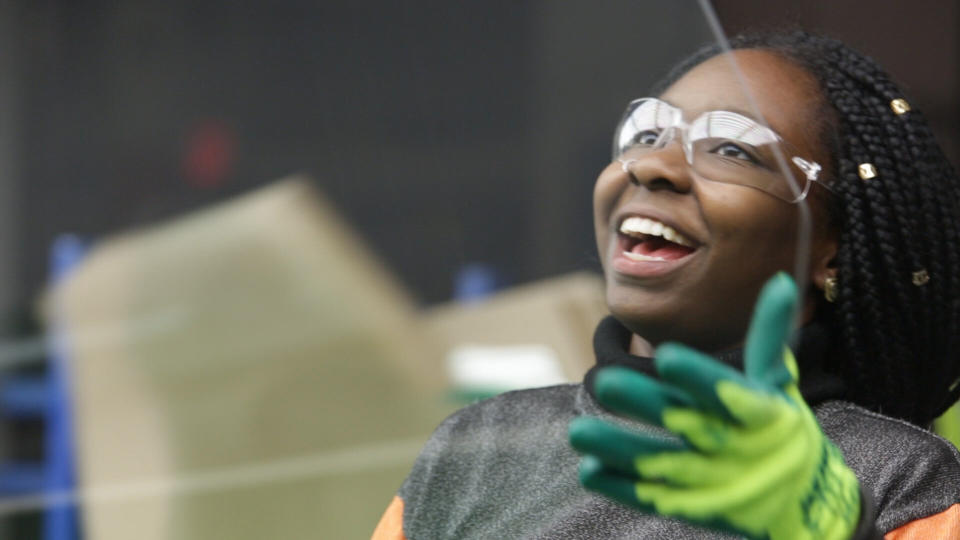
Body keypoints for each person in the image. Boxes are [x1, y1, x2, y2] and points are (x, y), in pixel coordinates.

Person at [372, 31, 960, 539]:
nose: (652, 165)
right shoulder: (480, 446)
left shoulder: (900, 480)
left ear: (830, 253)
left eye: (733, 148)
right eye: (647, 134)